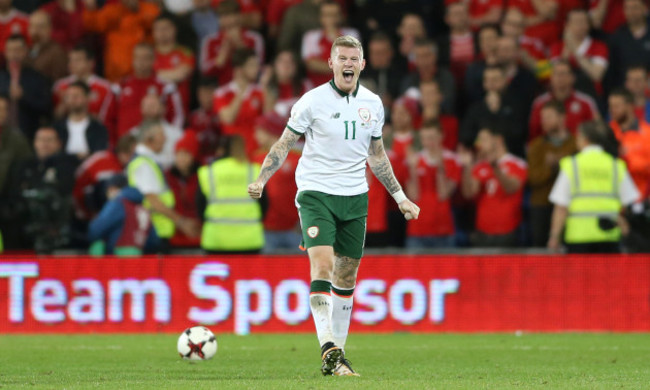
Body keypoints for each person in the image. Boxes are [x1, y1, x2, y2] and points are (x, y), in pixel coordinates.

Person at [248, 36, 420, 376]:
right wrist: (262, 179)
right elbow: (284, 143)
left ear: (362, 64)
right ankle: (328, 346)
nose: (348, 63)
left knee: (347, 272)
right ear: (331, 63)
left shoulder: (372, 103)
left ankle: (337, 359)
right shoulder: (311, 102)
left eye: (354, 58)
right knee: (323, 264)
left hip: (356, 196)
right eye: (342, 58)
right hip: (315, 193)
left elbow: (377, 156)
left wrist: (400, 197)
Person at [548, 120, 640, 253]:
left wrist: (554, 237)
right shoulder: (615, 165)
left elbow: (561, 206)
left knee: (582, 275)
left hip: (578, 237)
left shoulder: (572, 165)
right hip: (609, 236)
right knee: (607, 275)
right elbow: (628, 202)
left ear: (585, 139)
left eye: (578, 137)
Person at [126, 121, 199, 251]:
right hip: (152, 231)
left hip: (154, 230)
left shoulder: (147, 162)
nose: (165, 139)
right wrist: (180, 221)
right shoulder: (144, 164)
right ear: (150, 138)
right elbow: (152, 200)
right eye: (161, 135)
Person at [460, 126, 527, 247]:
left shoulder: (517, 163)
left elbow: (512, 188)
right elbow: (469, 193)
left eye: (483, 139)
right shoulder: (480, 166)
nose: (479, 144)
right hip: (482, 232)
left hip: (508, 232)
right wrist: (467, 167)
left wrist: (495, 167)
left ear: (498, 140)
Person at [198, 135, 264, 253]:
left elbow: (199, 205)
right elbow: (265, 204)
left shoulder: (209, 172)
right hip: (249, 240)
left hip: (216, 240)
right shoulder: (254, 171)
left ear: (221, 150)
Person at [527, 101, 577, 247]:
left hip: (569, 205)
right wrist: (553, 167)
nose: (544, 122)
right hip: (542, 205)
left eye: (548, 117)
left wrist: (559, 162)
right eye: (543, 118)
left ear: (562, 118)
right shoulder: (536, 146)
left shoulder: (576, 143)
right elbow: (533, 178)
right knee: (542, 252)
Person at [405, 121, 460, 248]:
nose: (428, 143)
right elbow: (413, 196)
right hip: (417, 229)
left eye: (431, 138)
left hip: (443, 229)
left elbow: (443, 194)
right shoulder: (414, 161)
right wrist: (413, 170)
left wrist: (440, 168)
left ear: (441, 137)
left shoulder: (452, 160)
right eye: (424, 138)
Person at [252, 112, 301, 253]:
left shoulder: (297, 158)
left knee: (300, 272)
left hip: (294, 230)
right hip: (266, 230)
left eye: (259, 131)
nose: (255, 135)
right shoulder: (256, 159)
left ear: (270, 131)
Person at [115, 43, 184, 140]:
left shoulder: (166, 87)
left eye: (145, 58)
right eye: (137, 58)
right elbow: (109, 118)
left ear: (153, 60)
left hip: (155, 144)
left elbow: (177, 117)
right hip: (125, 145)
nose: (140, 62)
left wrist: (169, 140)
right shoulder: (120, 86)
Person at [82, 0, 160, 82]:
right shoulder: (113, 11)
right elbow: (93, 24)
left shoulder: (148, 9)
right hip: (116, 75)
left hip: (144, 74)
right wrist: (90, 7)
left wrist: (137, 10)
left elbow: (157, 23)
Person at [87, 174, 160, 255]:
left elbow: (97, 229)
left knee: (97, 245)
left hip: (116, 257)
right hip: (139, 257)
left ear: (112, 188)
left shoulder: (118, 204)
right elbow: (153, 240)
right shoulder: (143, 208)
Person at [52, 46, 118, 136]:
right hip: (65, 135)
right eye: (71, 60)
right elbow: (56, 117)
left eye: (78, 60)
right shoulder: (60, 86)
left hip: (95, 134)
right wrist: (64, 104)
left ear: (91, 63)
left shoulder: (106, 88)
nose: (72, 64)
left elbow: (106, 120)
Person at [213, 47, 265, 158]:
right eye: (252, 65)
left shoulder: (260, 92)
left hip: (256, 154)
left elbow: (268, 121)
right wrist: (241, 92)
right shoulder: (222, 93)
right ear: (239, 70)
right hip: (231, 155)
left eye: (257, 65)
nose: (257, 69)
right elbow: (227, 119)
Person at [529, 60, 599, 141]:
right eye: (556, 74)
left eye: (563, 74)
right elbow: (533, 134)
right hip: (547, 150)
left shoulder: (586, 102)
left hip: (578, 149)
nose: (560, 78)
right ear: (551, 78)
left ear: (572, 78)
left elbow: (595, 131)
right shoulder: (539, 103)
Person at [199, 0, 264, 86]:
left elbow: (259, 66)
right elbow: (204, 70)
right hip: (220, 89)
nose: (226, 19)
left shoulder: (254, 38)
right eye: (221, 16)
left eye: (229, 15)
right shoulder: (210, 41)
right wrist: (219, 60)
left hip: (249, 88)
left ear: (238, 16)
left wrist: (240, 44)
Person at [0, 34, 51, 142]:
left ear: (25, 51)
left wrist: (23, 97)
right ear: (5, 52)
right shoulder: (1, 77)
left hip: (28, 135)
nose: (14, 54)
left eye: (18, 50)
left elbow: (46, 108)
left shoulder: (37, 78)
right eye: (10, 50)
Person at [301, 0, 360, 87]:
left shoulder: (352, 34)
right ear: (321, 17)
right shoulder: (311, 36)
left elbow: (354, 62)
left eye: (334, 15)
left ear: (341, 16)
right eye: (327, 15)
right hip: (317, 88)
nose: (331, 19)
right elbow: (311, 64)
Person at [607, 88, 650, 199]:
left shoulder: (647, 133)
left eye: (617, 106)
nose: (612, 110)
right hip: (612, 200)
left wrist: (626, 159)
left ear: (630, 106)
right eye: (611, 106)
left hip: (641, 199)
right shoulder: (606, 132)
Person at [54, 80, 109, 162]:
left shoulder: (98, 128)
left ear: (87, 98)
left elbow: (100, 153)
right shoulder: (57, 128)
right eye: (68, 96)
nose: (72, 100)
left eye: (76, 96)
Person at [165, 130, 201, 248]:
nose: (181, 158)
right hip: (174, 237)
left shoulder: (203, 176)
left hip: (199, 236)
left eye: (186, 154)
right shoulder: (167, 177)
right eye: (178, 153)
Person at [26, 10, 68, 82]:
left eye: (41, 27)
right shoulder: (26, 50)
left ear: (49, 29)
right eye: (33, 26)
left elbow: (59, 83)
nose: (35, 31)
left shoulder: (56, 53)